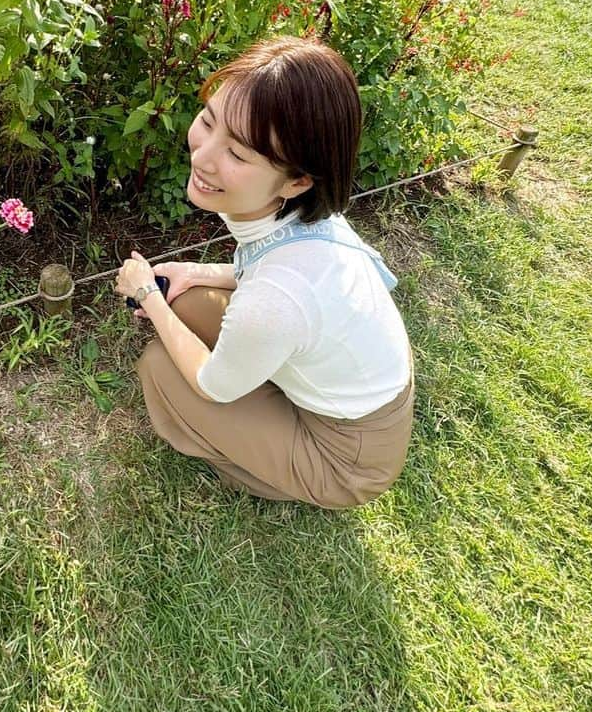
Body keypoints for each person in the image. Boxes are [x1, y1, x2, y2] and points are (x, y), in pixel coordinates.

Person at [118, 35, 415, 510]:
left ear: (298, 179)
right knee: (190, 300)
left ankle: (283, 476)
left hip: (347, 459)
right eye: (208, 121)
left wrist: (147, 298)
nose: (203, 156)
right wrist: (197, 272)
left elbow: (215, 381)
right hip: (346, 388)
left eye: (237, 154)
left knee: (162, 368)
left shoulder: (279, 298)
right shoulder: (309, 220)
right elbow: (272, 279)